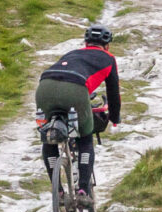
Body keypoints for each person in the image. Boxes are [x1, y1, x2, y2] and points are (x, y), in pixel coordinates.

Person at [33, 26, 120, 201]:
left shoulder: (72, 53)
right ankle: (82, 192)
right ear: (107, 46)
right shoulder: (109, 58)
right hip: (76, 89)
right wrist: (114, 117)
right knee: (85, 138)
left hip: (44, 87)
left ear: (86, 43)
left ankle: (58, 192)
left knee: (48, 137)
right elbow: (113, 92)